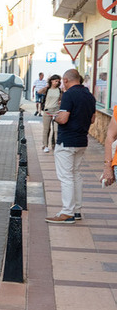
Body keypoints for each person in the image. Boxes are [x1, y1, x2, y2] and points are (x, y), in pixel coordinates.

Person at [46, 69, 96, 223]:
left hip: (67, 141)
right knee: (76, 175)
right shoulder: (89, 95)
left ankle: (67, 212)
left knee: (66, 177)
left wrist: (55, 117)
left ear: (66, 80)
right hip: (81, 141)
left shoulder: (68, 95)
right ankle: (77, 210)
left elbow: (63, 118)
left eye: (62, 82)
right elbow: (93, 119)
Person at [40, 74, 62, 153]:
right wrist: (45, 87)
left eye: (58, 81)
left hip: (56, 111)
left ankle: (56, 145)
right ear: (52, 81)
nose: (57, 83)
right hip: (47, 111)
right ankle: (45, 145)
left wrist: (60, 102)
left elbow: (61, 98)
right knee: (47, 129)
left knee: (56, 130)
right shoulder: (47, 89)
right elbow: (39, 92)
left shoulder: (59, 90)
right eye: (56, 81)